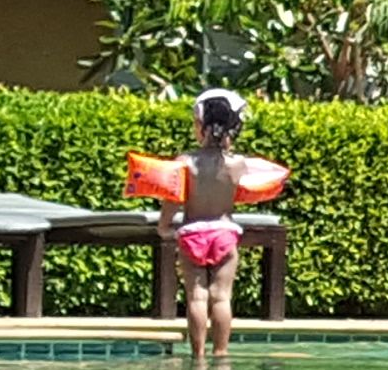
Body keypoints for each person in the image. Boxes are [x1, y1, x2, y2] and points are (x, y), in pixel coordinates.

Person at [121, 88, 285, 354]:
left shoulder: (186, 162)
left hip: (192, 234)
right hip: (224, 233)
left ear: (200, 126)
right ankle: (221, 352)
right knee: (221, 297)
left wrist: (164, 226)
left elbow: (173, 200)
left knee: (196, 296)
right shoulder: (237, 165)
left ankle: (197, 354)